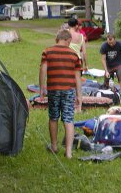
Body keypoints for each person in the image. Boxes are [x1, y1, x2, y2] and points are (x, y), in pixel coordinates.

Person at [39, 30, 82, 159]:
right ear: (68, 40)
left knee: (53, 117)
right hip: (69, 90)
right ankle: (68, 152)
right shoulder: (74, 55)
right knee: (69, 119)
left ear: (57, 39)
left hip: (53, 89)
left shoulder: (47, 51)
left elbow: (43, 70)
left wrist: (42, 87)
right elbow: (77, 77)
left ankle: (54, 146)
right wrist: (79, 95)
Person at [100, 33, 121, 102]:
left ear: (115, 40)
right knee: (109, 82)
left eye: (112, 43)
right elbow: (103, 59)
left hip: (119, 64)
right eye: (109, 43)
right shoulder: (104, 46)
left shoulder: (120, 45)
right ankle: (113, 95)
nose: (111, 44)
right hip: (109, 66)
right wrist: (106, 71)